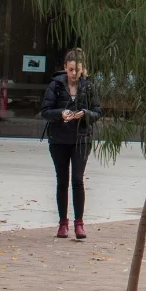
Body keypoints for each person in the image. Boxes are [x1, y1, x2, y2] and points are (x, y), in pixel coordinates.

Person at [41, 48, 100, 240]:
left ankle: (79, 223)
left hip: (81, 139)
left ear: (83, 69)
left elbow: (98, 111)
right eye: (71, 69)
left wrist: (85, 114)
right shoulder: (55, 85)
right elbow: (45, 111)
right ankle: (63, 223)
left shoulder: (88, 87)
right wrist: (60, 114)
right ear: (65, 67)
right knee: (62, 181)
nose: (74, 74)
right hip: (59, 139)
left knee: (77, 179)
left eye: (78, 70)